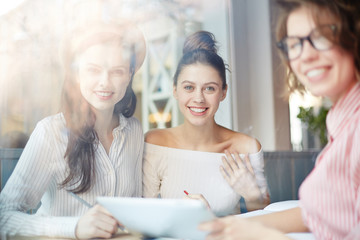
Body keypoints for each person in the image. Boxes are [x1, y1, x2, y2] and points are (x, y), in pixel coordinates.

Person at [199, 0, 360, 239]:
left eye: (323, 36)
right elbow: (315, 214)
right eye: (294, 44)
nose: (305, 55)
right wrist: (229, 228)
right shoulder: (342, 118)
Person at [0, 20, 146, 239]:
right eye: (93, 70)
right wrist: (75, 227)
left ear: (129, 74)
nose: (105, 82)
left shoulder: (134, 131)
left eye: (117, 71)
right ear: (77, 74)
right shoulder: (50, 132)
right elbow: (4, 217)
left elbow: (136, 206)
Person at [143, 31, 269, 217]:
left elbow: (264, 223)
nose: (198, 98)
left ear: (223, 92)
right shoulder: (155, 142)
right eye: (189, 87)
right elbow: (144, 216)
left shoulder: (245, 148)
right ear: (175, 90)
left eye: (209, 88)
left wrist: (252, 196)